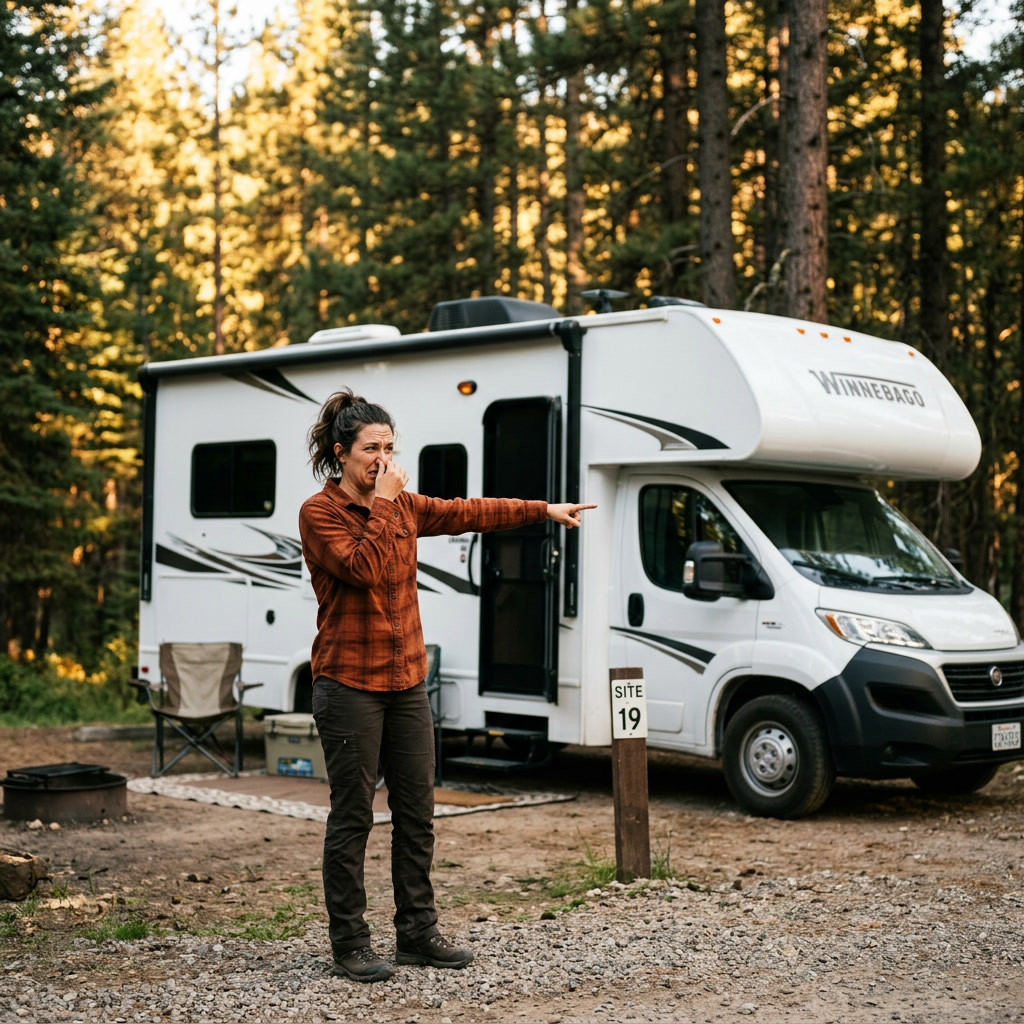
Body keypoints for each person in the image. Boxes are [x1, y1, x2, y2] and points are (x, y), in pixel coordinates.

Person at [299, 388, 596, 983]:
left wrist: (542, 510)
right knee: (353, 816)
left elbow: (469, 511)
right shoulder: (320, 513)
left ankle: (417, 933)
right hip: (348, 684)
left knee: (418, 813)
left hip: (406, 682)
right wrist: (385, 504)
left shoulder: (404, 507)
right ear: (341, 453)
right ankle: (351, 943)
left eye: (389, 446)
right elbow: (363, 568)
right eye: (370, 449)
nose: (383, 459)